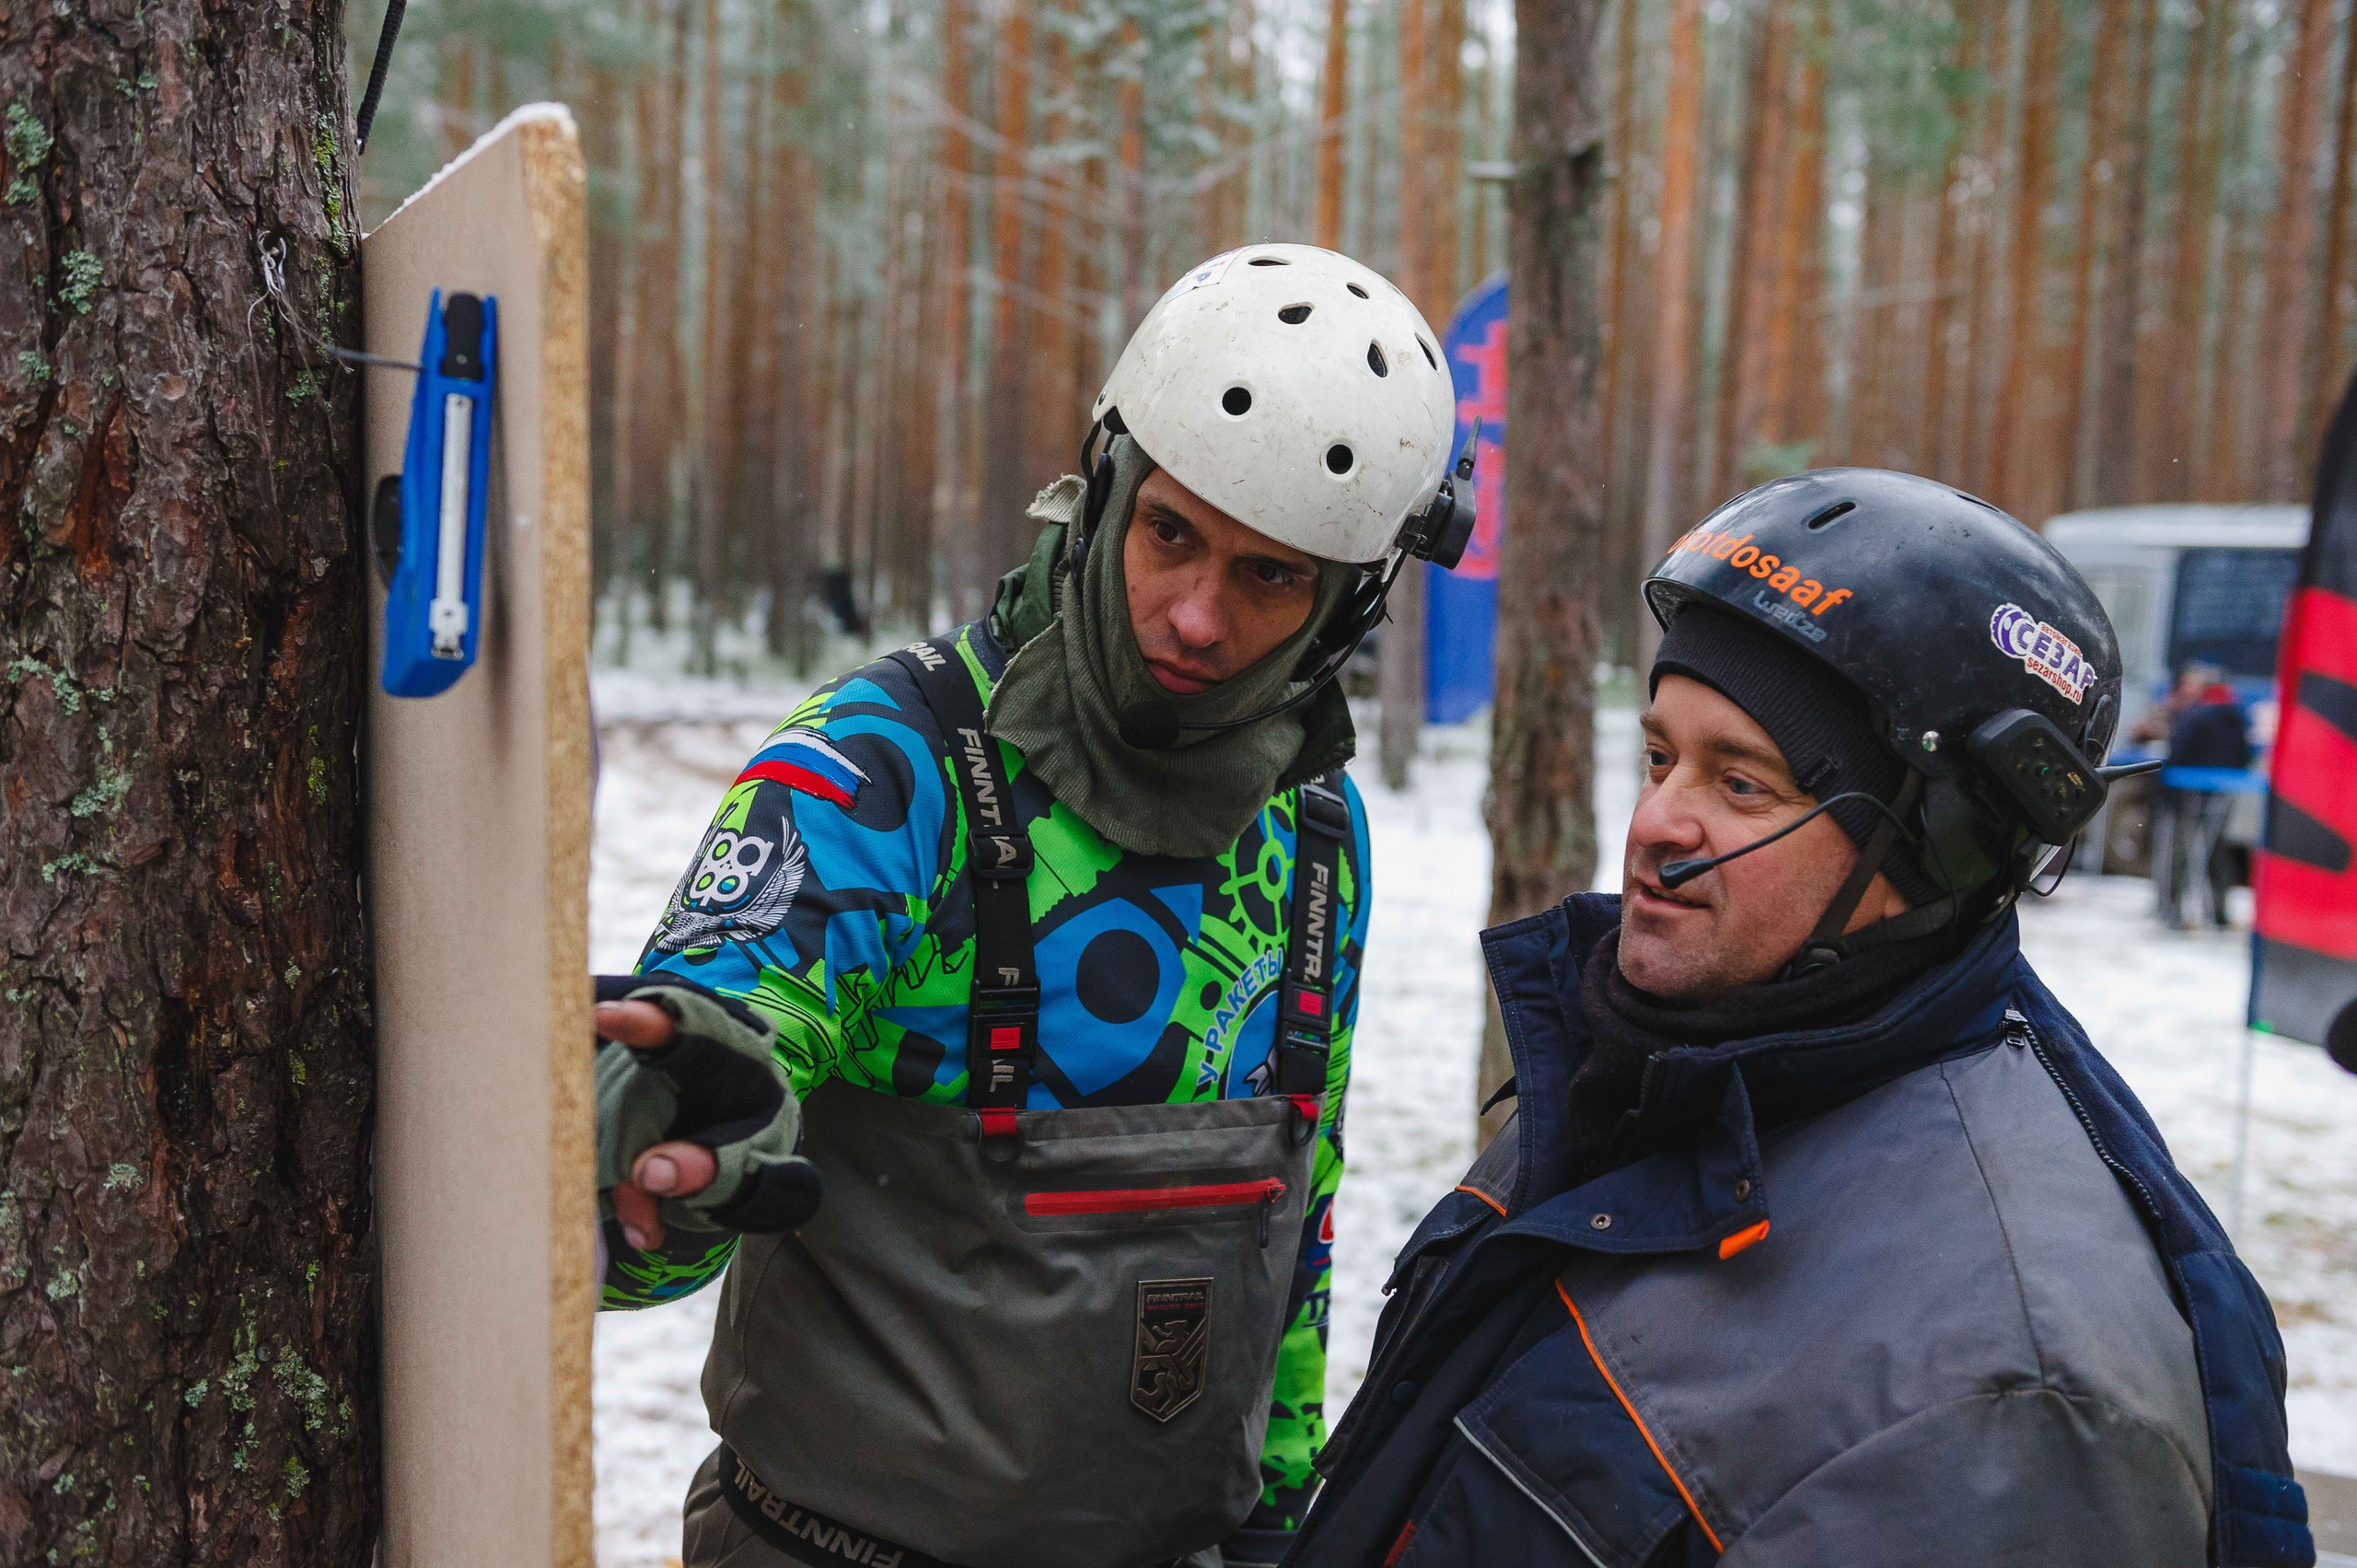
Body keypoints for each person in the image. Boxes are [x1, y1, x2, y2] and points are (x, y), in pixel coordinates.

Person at [590, 245, 1474, 1568]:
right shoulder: (887, 761)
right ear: (1103, 487)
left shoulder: (1316, 832)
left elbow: (1302, 1205)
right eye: (1172, 531)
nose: (1195, 613)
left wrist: (1282, 1518)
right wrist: (685, 1124)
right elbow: (703, 1078)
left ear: (1350, 603)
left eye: (1270, 575)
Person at [1286, 470, 2311, 1568]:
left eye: (1742, 784)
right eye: (1660, 757)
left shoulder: (2014, 1395)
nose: (1653, 823)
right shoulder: (1652, 1059)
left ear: (1931, 853)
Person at [2151, 664, 2253, 929]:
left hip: (2184, 794)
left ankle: (2170, 910)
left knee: (2179, 853)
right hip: (2220, 795)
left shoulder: (2196, 714)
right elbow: (2244, 756)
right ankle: (2218, 912)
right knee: (2215, 853)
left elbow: (2178, 752)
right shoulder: (2236, 714)